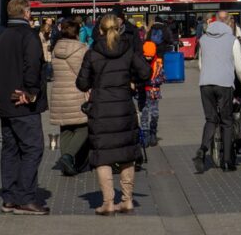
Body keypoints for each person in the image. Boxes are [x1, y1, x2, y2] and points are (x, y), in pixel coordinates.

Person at [0, 0, 49, 215]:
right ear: (26, 13)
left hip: (5, 102)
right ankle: (26, 198)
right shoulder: (28, 36)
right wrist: (30, 92)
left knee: (11, 149)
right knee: (33, 147)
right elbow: (33, 66)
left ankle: (9, 197)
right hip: (22, 103)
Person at [76, 13, 150, 214]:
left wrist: (94, 82)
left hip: (101, 110)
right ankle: (127, 200)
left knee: (102, 156)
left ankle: (108, 202)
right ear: (118, 29)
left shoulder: (92, 53)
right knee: (127, 154)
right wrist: (131, 80)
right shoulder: (128, 49)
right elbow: (146, 73)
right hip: (124, 108)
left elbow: (81, 83)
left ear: (99, 30)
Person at [193, 15, 241, 173]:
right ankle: (227, 161)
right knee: (226, 121)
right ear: (228, 25)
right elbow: (239, 67)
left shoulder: (203, 39)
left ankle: (202, 149)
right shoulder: (232, 40)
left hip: (205, 84)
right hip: (224, 84)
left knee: (211, 119)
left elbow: (200, 64)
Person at [49, 18, 89, 177]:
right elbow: (84, 73)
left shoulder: (55, 49)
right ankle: (68, 156)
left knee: (65, 128)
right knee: (84, 127)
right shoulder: (81, 49)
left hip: (59, 93)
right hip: (76, 93)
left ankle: (67, 165)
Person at [138, 41, 164, 146]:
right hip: (143, 92)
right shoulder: (140, 61)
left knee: (154, 114)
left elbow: (162, 78)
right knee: (144, 114)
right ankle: (145, 135)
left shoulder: (158, 62)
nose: (148, 58)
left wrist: (152, 81)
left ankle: (153, 132)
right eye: (146, 56)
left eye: (150, 56)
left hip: (154, 92)